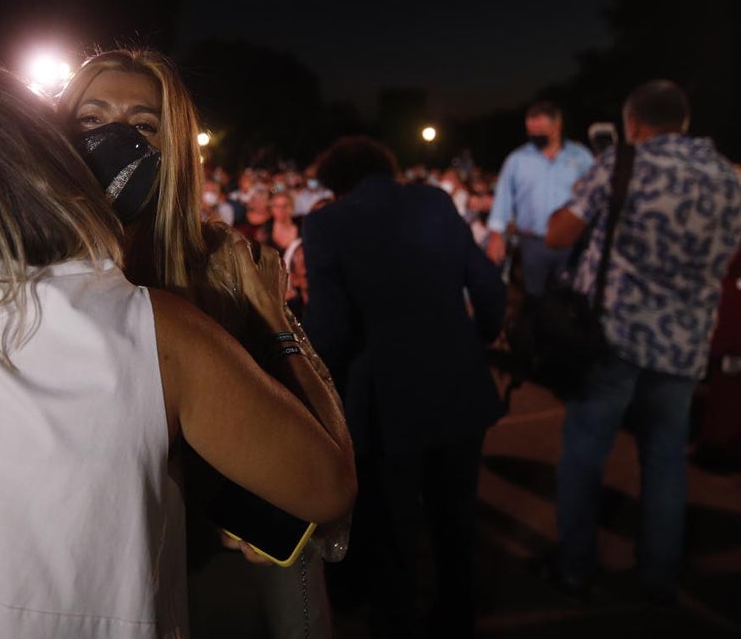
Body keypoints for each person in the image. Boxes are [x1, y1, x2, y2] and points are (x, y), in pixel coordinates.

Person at [0, 63, 354, 638]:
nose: (115, 141)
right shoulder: (1, 263)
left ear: (177, 151)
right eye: (91, 120)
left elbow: (309, 461)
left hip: (198, 556)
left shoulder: (224, 267)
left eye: (144, 124)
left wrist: (276, 327)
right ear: (53, 143)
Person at [301, 136, 507, 638]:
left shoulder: (328, 224)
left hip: (385, 401)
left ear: (335, 183)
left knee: (393, 531)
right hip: (459, 387)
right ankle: (458, 617)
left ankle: (397, 622)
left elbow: (329, 329)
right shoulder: (435, 202)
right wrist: (474, 342)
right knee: (455, 521)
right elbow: (488, 287)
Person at [544, 79, 741, 604]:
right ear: (685, 121)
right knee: (665, 458)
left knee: (585, 451)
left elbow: (559, 233)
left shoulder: (623, 165)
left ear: (633, 124)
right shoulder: (728, 176)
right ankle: (657, 575)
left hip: (615, 336)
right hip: (686, 342)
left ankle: (575, 568)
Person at [486, 101, 593, 297]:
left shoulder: (581, 157)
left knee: (571, 298)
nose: (536, 135)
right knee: (534, 299)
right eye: (531, 130)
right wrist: (496, 237)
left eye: (541, 129)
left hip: (572, 243)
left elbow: (596, 195)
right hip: (533, 243)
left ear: (557, 126)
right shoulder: (517, 160)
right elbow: (503, 198)